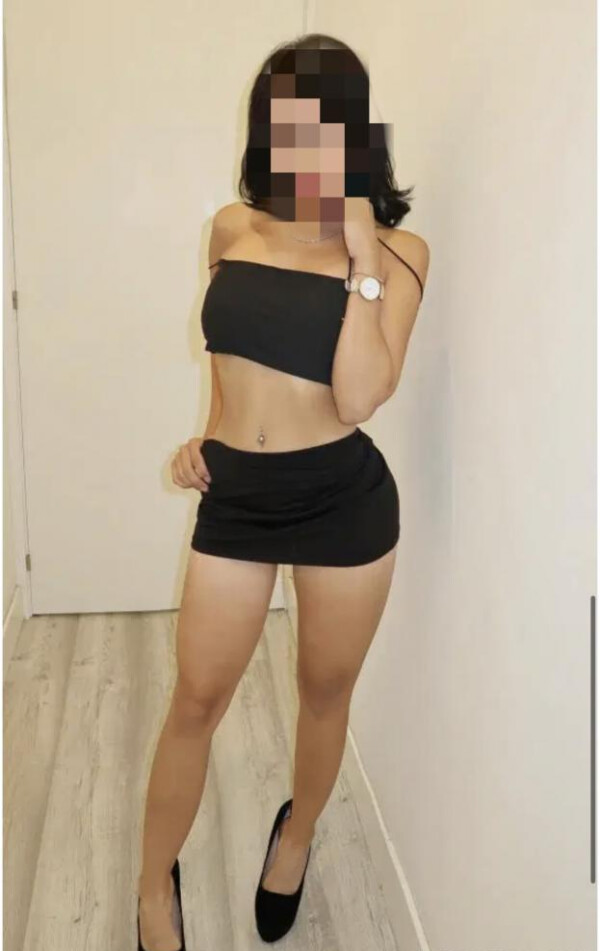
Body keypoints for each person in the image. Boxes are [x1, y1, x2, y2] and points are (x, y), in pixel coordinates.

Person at [136, 32, 429, 951]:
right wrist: (207, 435)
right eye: (281, 118)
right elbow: (229, 358)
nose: (298, 137)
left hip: (343, 499)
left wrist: (360, 255)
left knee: (323, 691)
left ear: (352, 130)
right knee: (196, 698)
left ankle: (294, 836)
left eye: (319, 119)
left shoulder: (400, 251)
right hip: (239, 497)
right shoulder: (234, 226)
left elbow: (359, 396)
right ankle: (152, 887)